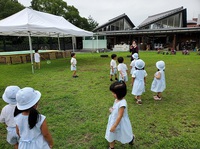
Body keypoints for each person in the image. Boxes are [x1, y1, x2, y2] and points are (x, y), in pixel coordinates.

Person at [105, 81, 134, 149]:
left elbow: (120, 115)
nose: (112, 94)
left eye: (114, 93)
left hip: (120, 122)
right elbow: (116, 108)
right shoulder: (116, 100)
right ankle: (111, 147)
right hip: (113, 120)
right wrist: (113, 109)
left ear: (120, 93)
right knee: (111, 134)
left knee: (124, 134)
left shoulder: (122, 104)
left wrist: (114, 126)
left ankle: (131, 138)